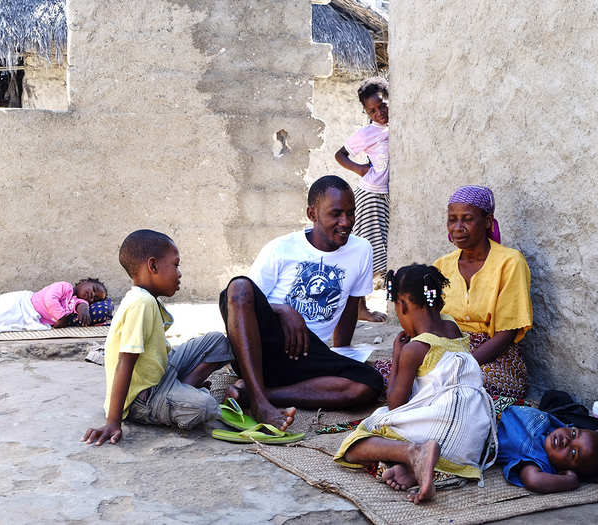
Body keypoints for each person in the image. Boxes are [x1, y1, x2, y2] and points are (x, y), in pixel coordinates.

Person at [219, 176, 384, 431]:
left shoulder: (361, 249)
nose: (346, 222)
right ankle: (262, 404)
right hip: (263, 350)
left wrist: (341, 353)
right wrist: (283, 310)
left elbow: (350, 306)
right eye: (336, 214)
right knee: (238, 286)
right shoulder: (281, 249)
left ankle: (256, 393)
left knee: (368, 384)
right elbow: (242, 300)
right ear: (312, 213)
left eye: (351, 213)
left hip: (310, 354)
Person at [333, 264, 497, 504]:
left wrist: (398, 357)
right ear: (437, 303)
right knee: (429, 434)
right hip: (473, 441)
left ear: (403, 305)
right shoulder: (452, 327)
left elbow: (396, 404)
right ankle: (414, 468)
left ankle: (414, 453)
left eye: (398, 311)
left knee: (356, 444)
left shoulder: (415, 348)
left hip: (441, 426)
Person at [82, 230, 233, 446]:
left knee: (218, 342)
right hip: (144, 397)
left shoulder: (146, 298)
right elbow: (125, 362)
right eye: (176, 265)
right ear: (153, 266)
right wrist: (113, 421)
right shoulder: (140, 304)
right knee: (206, 407)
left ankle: (183, 389)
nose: (179, 273)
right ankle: (183, 394)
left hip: (162, 370)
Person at [433, 185, 533, 398]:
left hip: (493, 356)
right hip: (446, 349)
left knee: (463, 388)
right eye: (452, 219)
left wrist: (462, 364)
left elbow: (508, 332)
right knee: (395, 373)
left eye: (467, 219)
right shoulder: (441, 266)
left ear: (488, 221)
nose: (457, 227)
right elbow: (429, 319)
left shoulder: (510, 262)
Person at [335, 77, 390, 323]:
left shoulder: (394, 127)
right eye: (372, 110)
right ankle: (361, 308)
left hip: (385, 197)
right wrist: (360, 169)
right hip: (369, 196)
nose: (379, 113)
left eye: (383, 106)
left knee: (384, 250)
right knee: (365, 252)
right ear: (366, 112)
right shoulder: (368, 132)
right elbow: (340, 154)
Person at [497, 405, 598, 492]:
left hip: (483, 425)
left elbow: (533, 480)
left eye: (573, 453)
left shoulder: (539, 460)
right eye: (574, 433)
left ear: (564, 469)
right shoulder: (560, 428)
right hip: (496, 403)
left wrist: (569, 482)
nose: (566, 440)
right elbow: (584, 436)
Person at [0, 278, 107, 333]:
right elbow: (50, 299)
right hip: (21, 305)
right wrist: (61, 318)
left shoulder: (78, 301)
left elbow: (81, 306)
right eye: (93, 289)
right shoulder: (64, 287)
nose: (92, 295)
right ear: (82, 282)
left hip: (29, 317)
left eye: (95, 299)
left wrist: (86, 308)